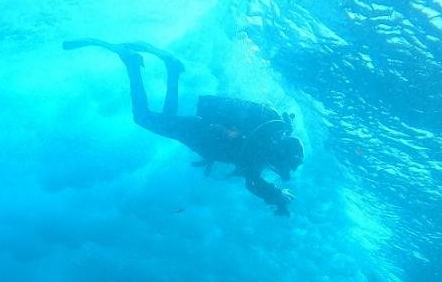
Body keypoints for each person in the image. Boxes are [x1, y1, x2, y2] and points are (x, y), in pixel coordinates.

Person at [63, 38, 304, 215]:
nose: (284, 169)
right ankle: (135, 64)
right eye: (287, 164)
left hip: (202, 135)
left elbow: (253, 175)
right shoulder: (261, 147)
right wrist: (277, 197)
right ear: (282, 154)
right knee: (145, 118)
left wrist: (276, 195)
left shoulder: (269, 135)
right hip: (202, 134)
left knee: (165, 119)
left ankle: (168, 69)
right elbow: (253, 181)